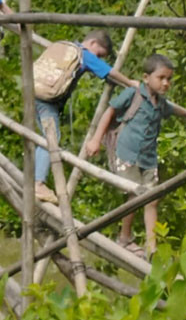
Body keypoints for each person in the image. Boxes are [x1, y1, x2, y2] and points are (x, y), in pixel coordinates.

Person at [85, 53, 186, 259]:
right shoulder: (134, 94)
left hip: (148, 158)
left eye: (169, 79)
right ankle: (124, 239)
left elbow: (175, 110)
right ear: (146, 77)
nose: (166, 83)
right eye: (161, 78)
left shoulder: (160, 102)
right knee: (135, 195)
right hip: (126, 153)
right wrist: (95, 139)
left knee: (151, 199)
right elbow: (110, 112)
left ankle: (152, 247)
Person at [31, 30, 135, 204]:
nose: (98, 58)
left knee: (46, 138)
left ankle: (36, 179)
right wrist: (130, 83)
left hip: (34, 92)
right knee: (51, 139)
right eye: (99, 54)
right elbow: (110, 73)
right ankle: (38, 183)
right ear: (92, 43)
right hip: (47, 101)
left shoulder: (63, 44)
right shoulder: (84, 54)